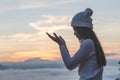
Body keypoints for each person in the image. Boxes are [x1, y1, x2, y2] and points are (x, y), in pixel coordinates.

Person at [46, 8, 106, 80]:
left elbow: (69, 65)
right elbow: (72, 64)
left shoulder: (88, 43)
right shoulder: (93, 43)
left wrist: (61, 45)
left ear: (81, 29)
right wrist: (64, 45)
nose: (74, 33)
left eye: (75, 29)